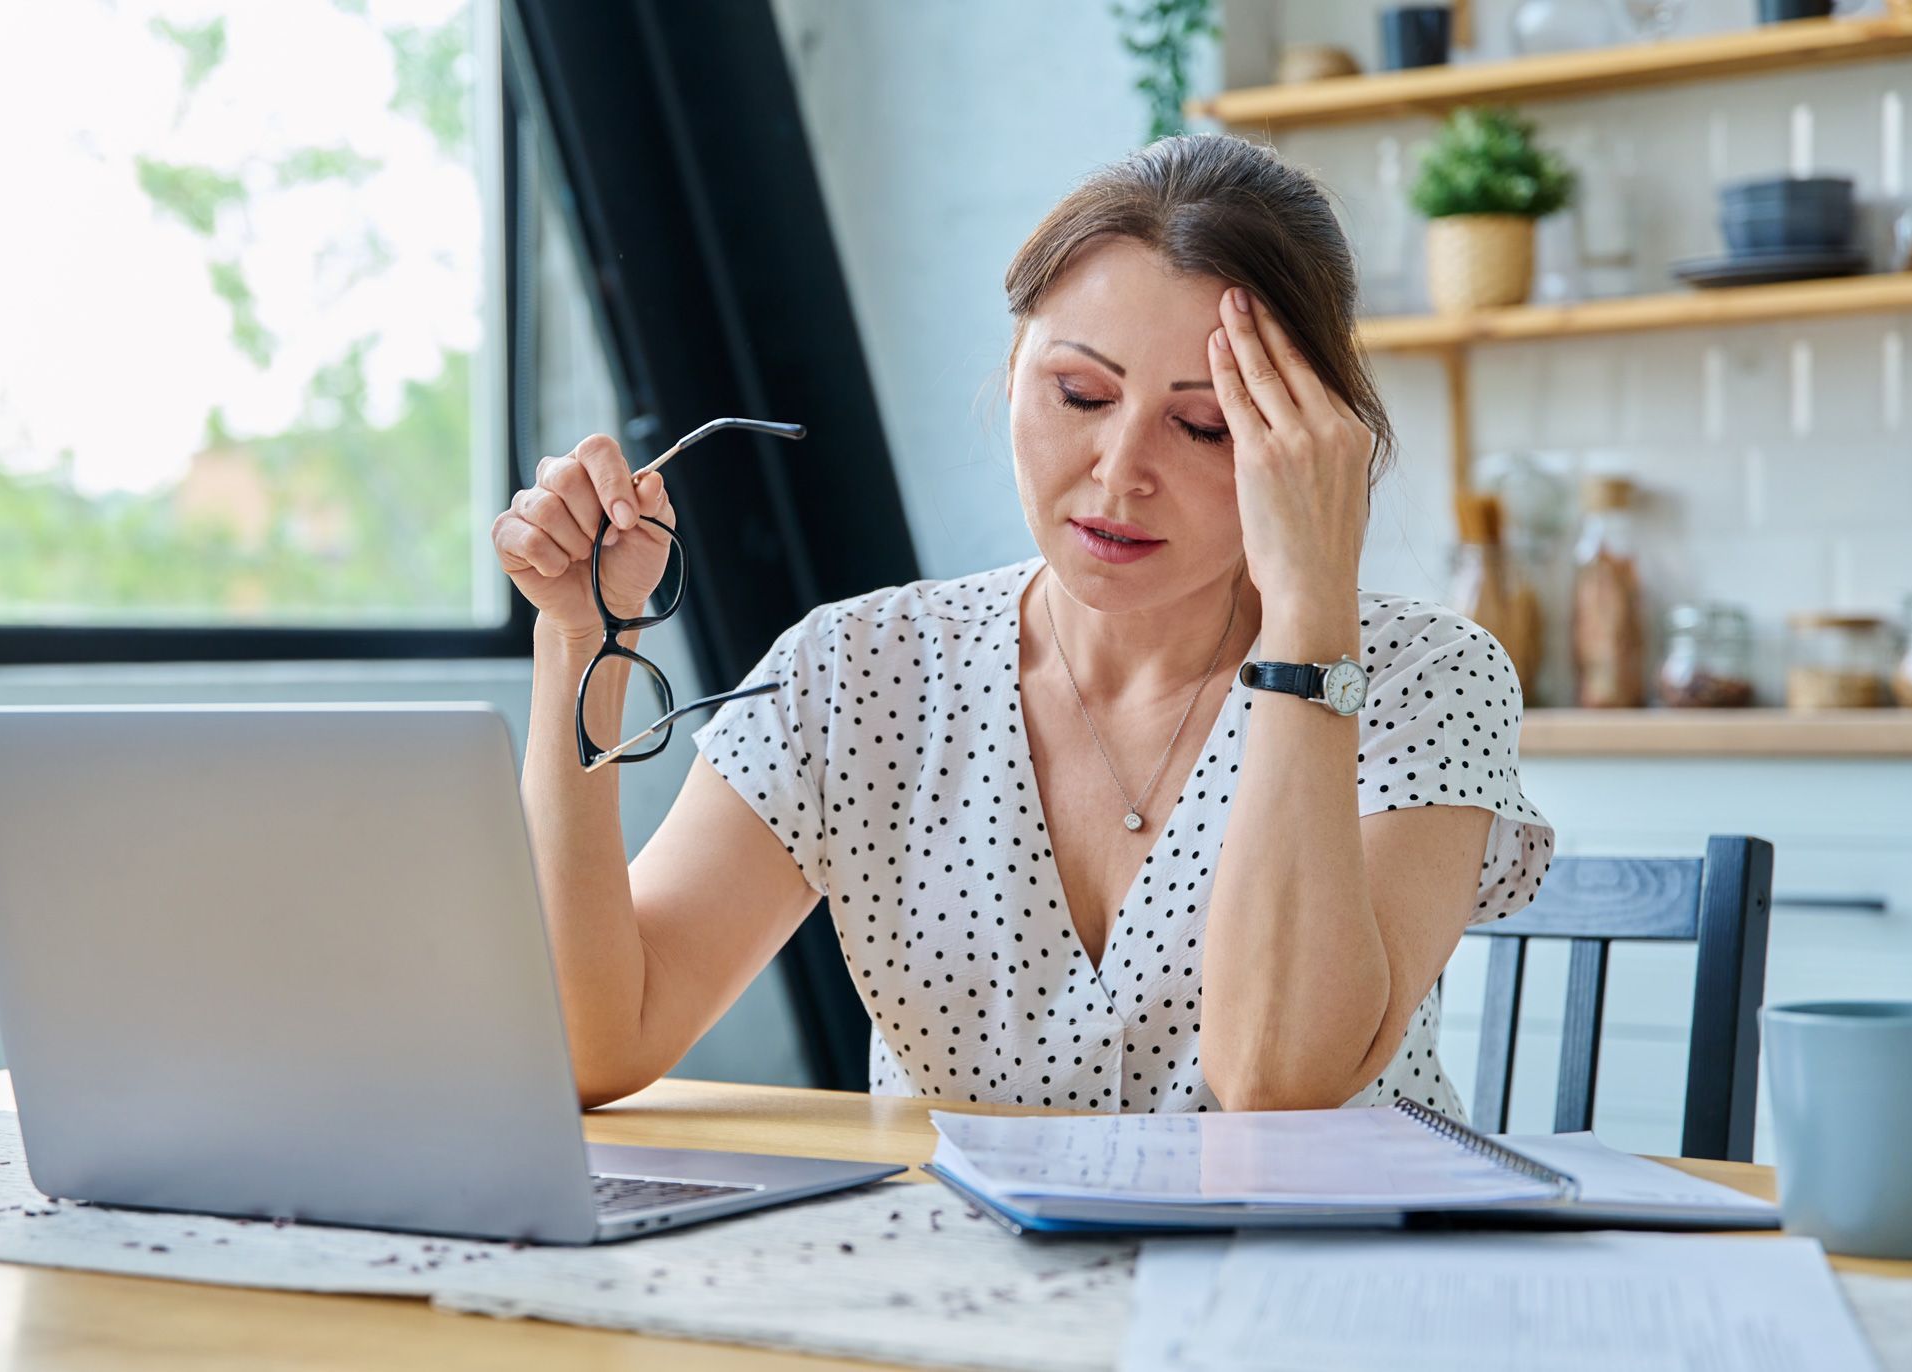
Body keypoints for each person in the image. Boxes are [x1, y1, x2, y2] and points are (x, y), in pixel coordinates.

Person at [491, 133, 1554, 1117]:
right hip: (954, 1299)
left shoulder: (1423, 677)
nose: (1120, 473)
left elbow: (1279, 1085)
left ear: (1306, 442)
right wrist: (581, 633)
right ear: (1012, 376)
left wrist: (1312, 622)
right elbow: (593, 1041)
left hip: (1311, 1302)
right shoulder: (856, 673)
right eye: (1079, 394)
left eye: (1202, 425)